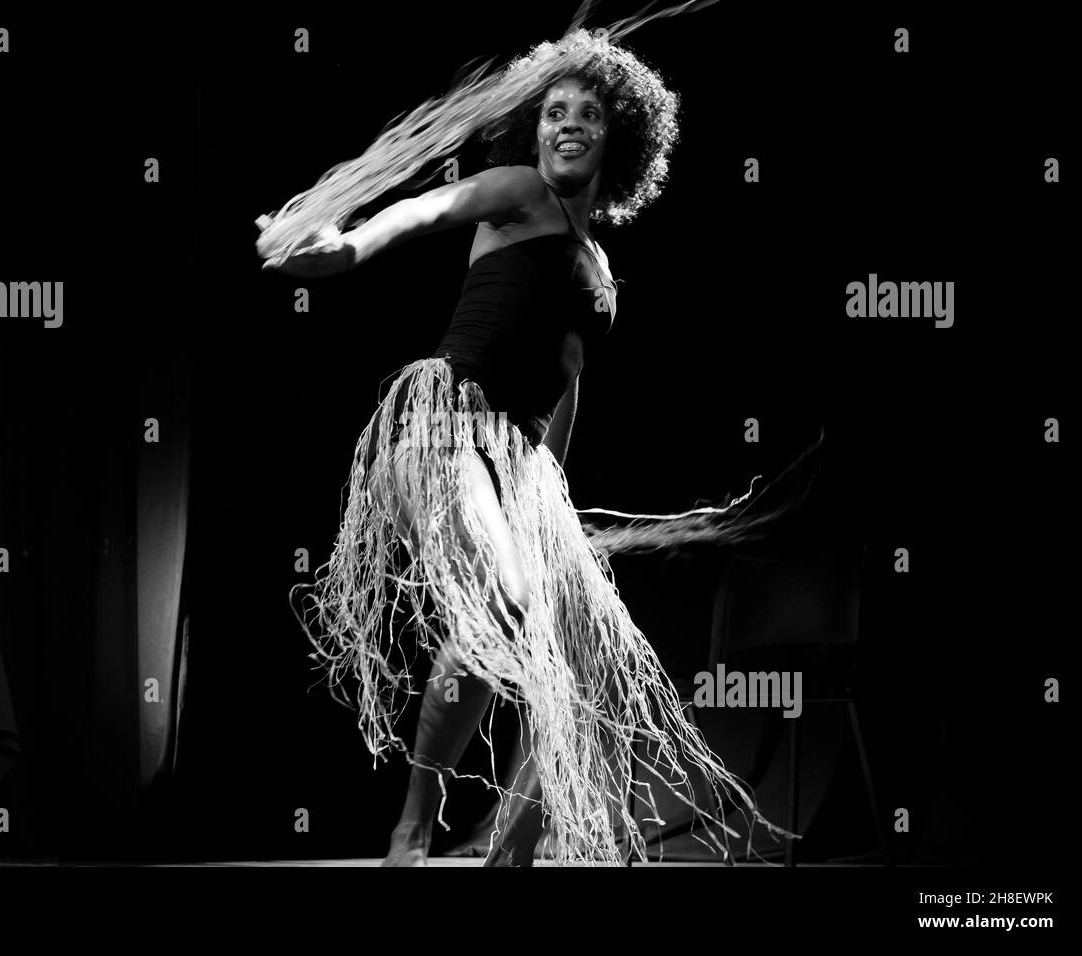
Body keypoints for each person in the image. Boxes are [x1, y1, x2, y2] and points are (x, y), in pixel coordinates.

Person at [265, 22, 803, 867]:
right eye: (554, 111)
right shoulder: (516, 192)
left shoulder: (599, 273)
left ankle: (513, 846)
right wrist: (347, 247)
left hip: (518, 464)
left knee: (575, 658)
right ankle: (418, 812)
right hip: (445, 428)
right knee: (503, 603)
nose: (567, 124)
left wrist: (543, 494)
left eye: (588, 112)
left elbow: (567, 378)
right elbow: (424, 207)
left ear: (618, 136)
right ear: (534, 129)